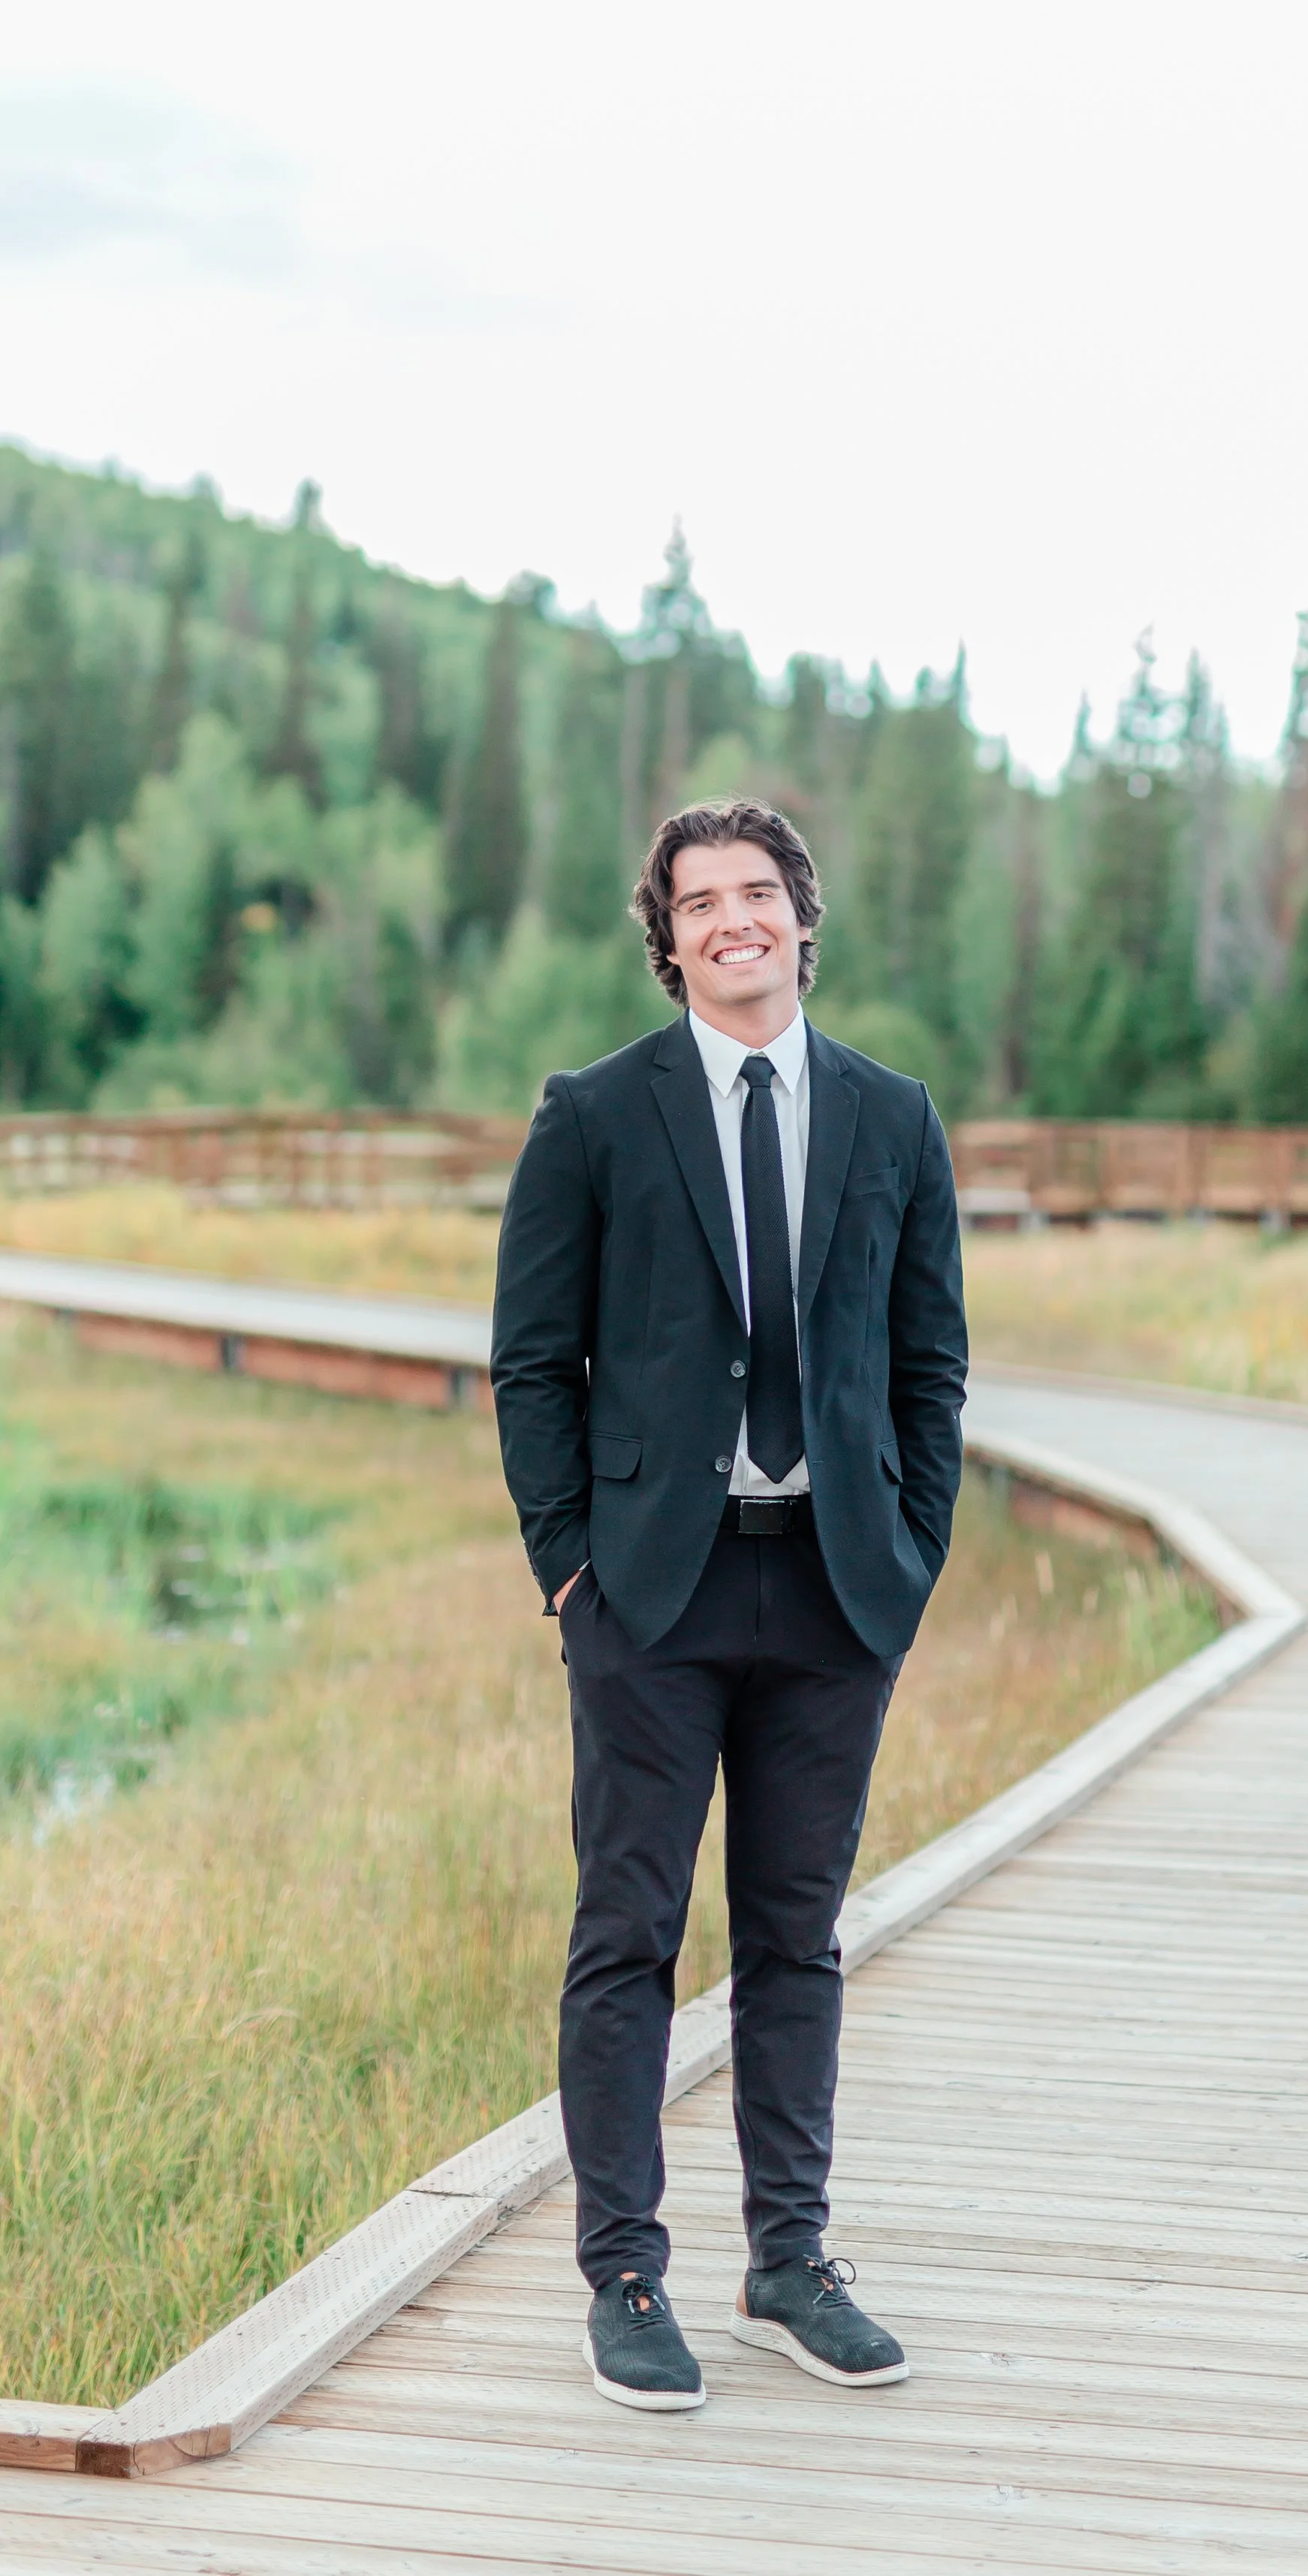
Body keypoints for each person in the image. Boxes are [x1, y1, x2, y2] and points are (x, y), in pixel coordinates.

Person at [490, 797, 969, 2411]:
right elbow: (530, 1358)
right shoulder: (595, 1115)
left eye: (754, 893)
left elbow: (927, 1365)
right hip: (651, 1593)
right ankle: (625, 2273)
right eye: (697, 903)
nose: (729, 922)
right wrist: (569, 1561)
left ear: (800, 918)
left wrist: (906, 1556)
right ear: (667, 937)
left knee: (796, 1937)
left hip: (833, 1592)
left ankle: (787, 2261)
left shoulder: (891, 1117)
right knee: (624, 1934)